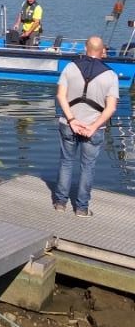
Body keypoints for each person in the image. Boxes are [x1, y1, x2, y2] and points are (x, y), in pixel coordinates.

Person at [53, 35, 119, 216]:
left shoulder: (70, 67)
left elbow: (60, 96)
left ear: (85, 48)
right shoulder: (110, 75)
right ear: (102, 51)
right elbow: (111, 108)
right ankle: (81, 208)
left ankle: (60, 203)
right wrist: (93, 127)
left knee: (66, 163)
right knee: (87, 167)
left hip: (69, 123)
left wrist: (72, 120)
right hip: (94, 128)